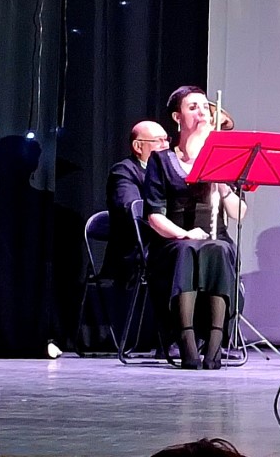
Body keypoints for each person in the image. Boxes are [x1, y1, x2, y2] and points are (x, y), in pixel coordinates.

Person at [144, 86, 246, 370]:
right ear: (177, 117)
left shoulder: (224, 157)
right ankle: (187, 345)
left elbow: (239, 213)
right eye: (192, 107)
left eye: (204, 107)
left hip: (215, 239)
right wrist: (184, 233)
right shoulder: (161, 160)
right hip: (173, 242)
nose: (201, 112)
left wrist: (222, 183)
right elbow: (154, 216)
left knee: (218, 249)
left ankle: (214, 347)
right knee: (188, 250)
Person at [105, 121, 170, 283]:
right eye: (159, 140)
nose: (166, 145)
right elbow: (131, 209)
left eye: (166, 139)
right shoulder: (124, 171)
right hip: (136, 253)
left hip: (164, 244)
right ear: (138, 146)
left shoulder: (170, 173)